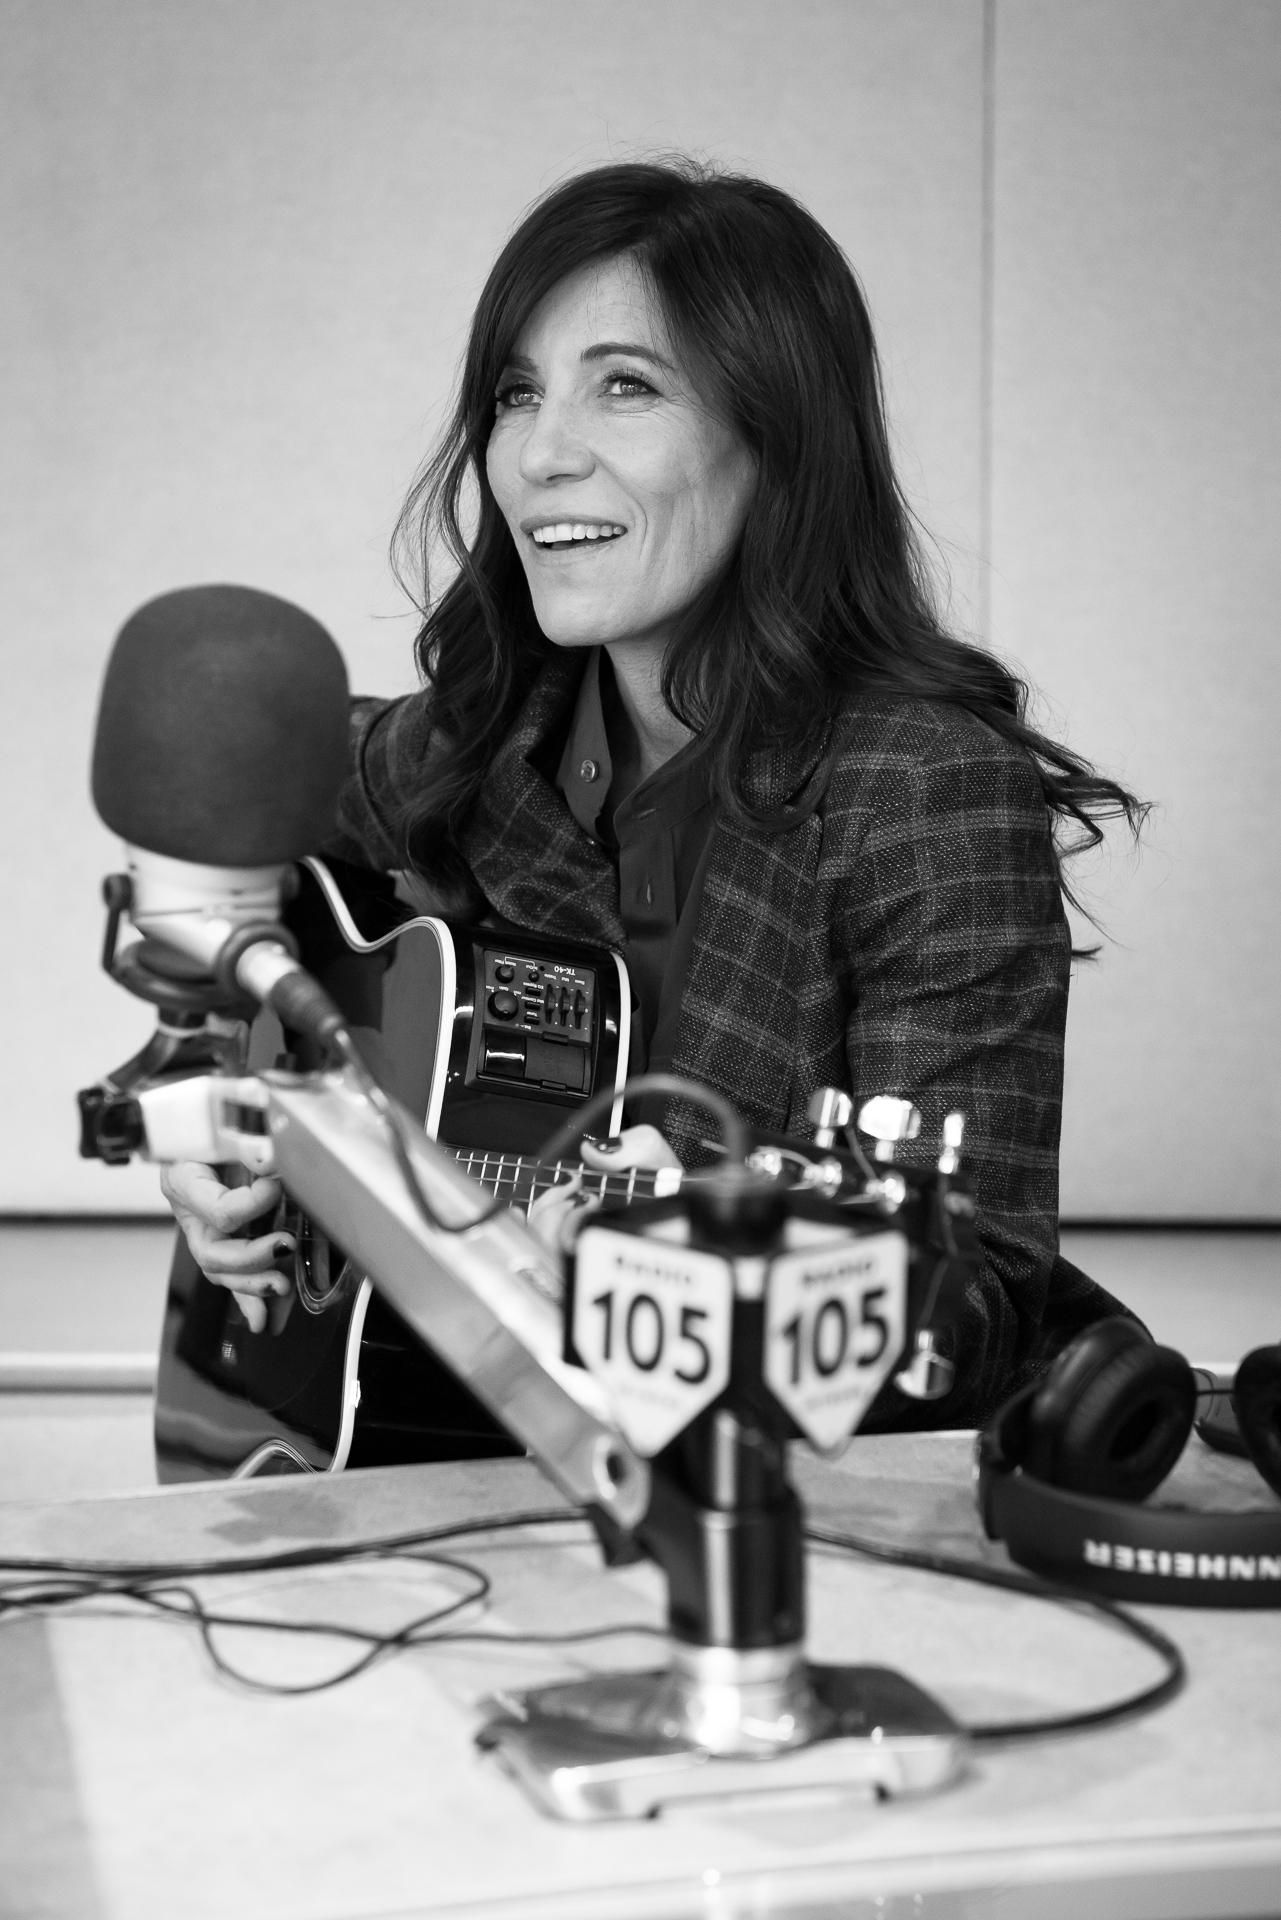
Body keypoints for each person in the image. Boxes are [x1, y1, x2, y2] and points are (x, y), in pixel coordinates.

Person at [161, 156, 1146, 1432]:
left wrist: (690, 1276)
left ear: (778, 440)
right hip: (466, 1460)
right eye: (517, 394)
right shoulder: (480, 744)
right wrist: (220, 1121)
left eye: (625, 386)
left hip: (796, 1493)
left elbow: (974, 1299)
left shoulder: (921, 787)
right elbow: (218, 839)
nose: (539, 455)